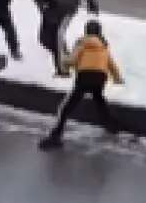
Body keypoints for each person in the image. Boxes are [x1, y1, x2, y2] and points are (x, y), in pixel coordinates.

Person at [39, 20, 123, 149]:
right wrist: (117, 79)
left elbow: (72, 61)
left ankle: (55, 137)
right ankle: (112, 126)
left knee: (65, 108)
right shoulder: (104, 46)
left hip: (85, 76)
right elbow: (111, 64)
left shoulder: (82, 43)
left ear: (86, 31)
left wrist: (64, 60)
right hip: (100, 77)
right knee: (99, 101)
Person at [30, 0, 100, 78]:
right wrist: (42, 4)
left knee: (58, 36)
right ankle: (66, 55)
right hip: (50, 11)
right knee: (44, 39)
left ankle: (63, 70)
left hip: (66, 10)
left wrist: (92, 4)